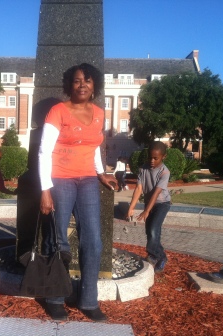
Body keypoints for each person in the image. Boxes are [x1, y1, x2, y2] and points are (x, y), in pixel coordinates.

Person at [38, 63, 116, 322]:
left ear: (95, 86)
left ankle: (88, 300)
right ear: (69, 85)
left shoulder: (99, 114)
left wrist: (100, 172)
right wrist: (45, 190)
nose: (82, 84)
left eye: (88, 81)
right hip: (60, 179)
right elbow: (44, 152)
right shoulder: (58, 111)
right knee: (58, 239)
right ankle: (55, 298)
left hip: (87, 182)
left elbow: (93, 146)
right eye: (77, 80)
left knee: (93, 241)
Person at [126, 141, 171, 273]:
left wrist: (147, 211)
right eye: (150, 157)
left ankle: (160, 257)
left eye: (155, 158)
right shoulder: (143, 169)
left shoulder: (164, 172)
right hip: (149, 204)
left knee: (153, 230)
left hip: (162, 204)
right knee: (150, 233)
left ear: (164, 157)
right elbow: (139, 188)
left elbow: (157, 193)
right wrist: (131, 208)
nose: (152, 161)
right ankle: (154, 254)